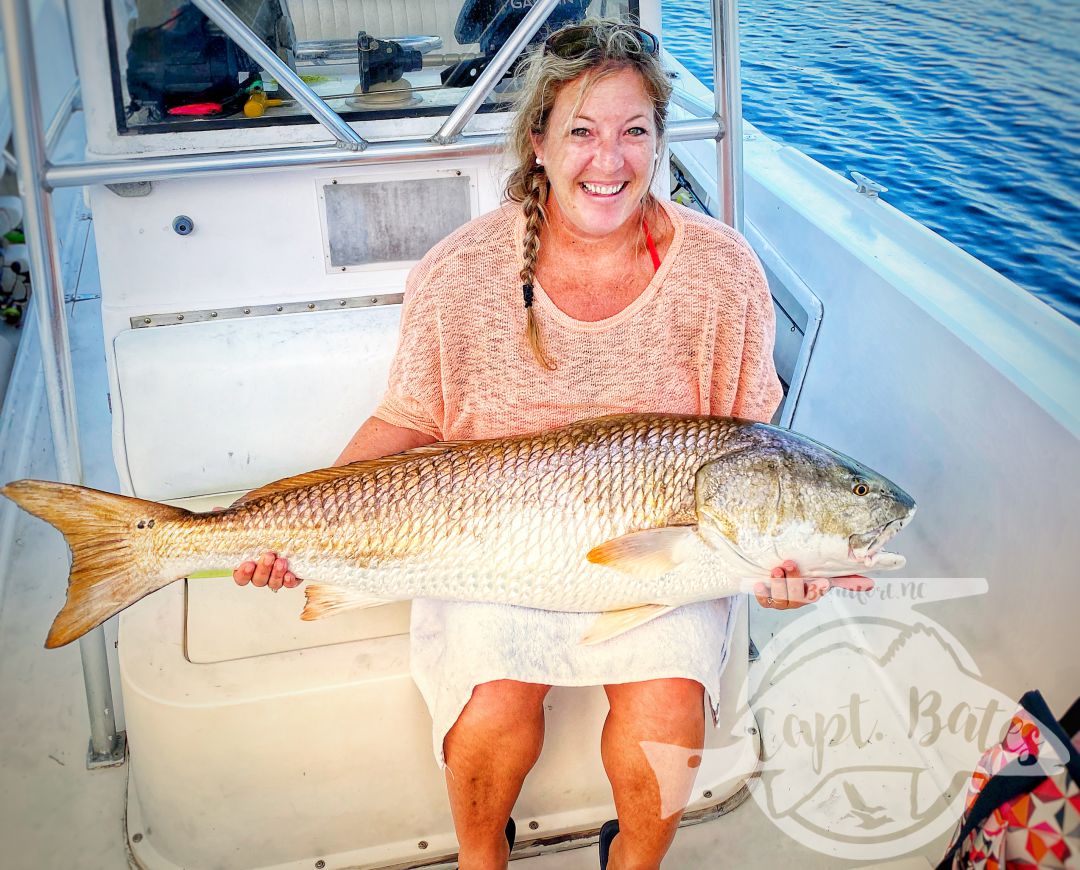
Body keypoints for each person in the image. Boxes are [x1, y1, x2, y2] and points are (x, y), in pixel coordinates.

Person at [234, 20, 859, 870]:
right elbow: (407, 420)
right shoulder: (462, 269)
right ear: (538, 142)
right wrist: (275, 527)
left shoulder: (722, 270)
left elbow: (754, 443)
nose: (611, 159)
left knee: (665, 713)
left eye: (634, 131)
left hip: (665, 557)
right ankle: (479, 860)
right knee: (491, 711)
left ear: (659, 140)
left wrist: (781, 565)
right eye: (583, 131)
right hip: (481, 542)